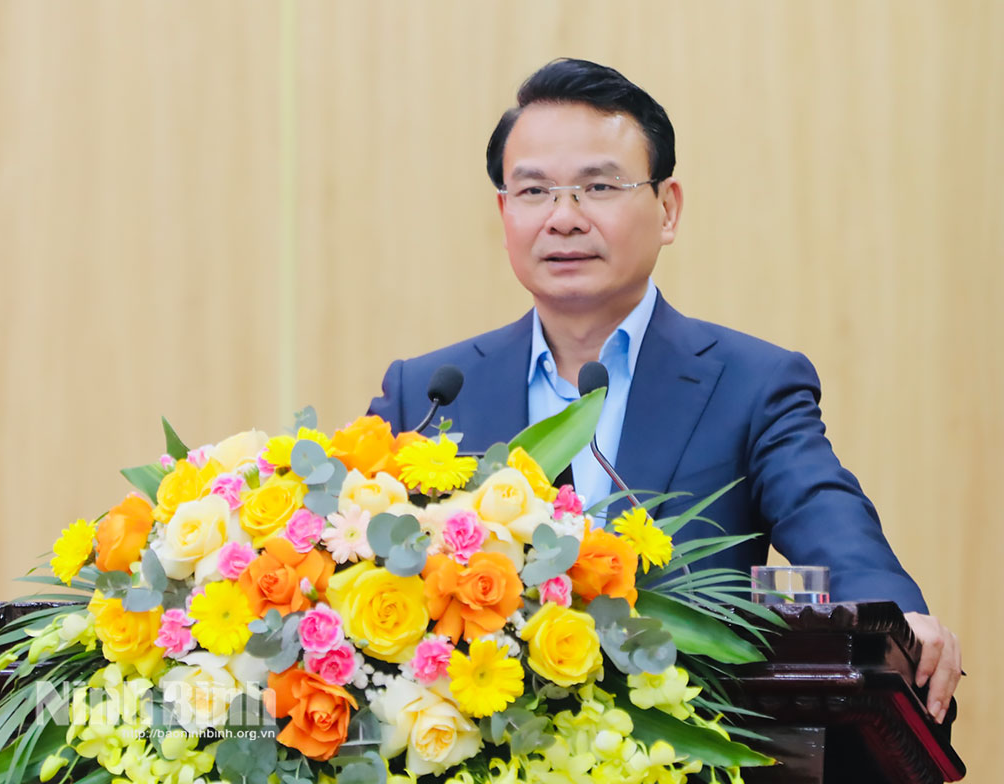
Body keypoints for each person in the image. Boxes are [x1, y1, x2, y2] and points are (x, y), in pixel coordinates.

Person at [367, 58, 961, 721]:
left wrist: (900, 616)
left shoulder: (749, 384)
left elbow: (828, 518)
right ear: (504, 212)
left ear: (668, 208)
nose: (563, 218)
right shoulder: (429, 395)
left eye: (598, 186)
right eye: (534, 191)